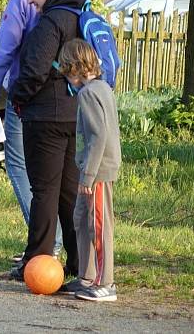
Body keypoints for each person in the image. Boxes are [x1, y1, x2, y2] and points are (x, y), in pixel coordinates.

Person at [0, 0, 77, 262]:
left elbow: (7, 51)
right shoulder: (77, 1)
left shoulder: (31, 1)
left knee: (30, 176)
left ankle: (43, 250)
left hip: (34, 102)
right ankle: (74, 257)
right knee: (65, 185)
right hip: (75, 104)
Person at [8, 0, 87, 281]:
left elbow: (34, 71)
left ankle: (37, 261)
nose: (29, 0)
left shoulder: (51, 22)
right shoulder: (79, 14)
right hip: (74, 113)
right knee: (69, 192)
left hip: (45, 117)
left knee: (44, 191)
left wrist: (17, 98)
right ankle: (80, 261)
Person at [57, 39, 121, 302]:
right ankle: (87, 275)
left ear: (75, 67)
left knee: (98, 225)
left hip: (98, 172)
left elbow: (99, 135)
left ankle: (106, 283)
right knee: (81, 220)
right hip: (92, 170)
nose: (64, 75)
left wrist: (88, 175)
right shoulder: (101, 87)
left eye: (65, 69)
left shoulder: (90, 93)